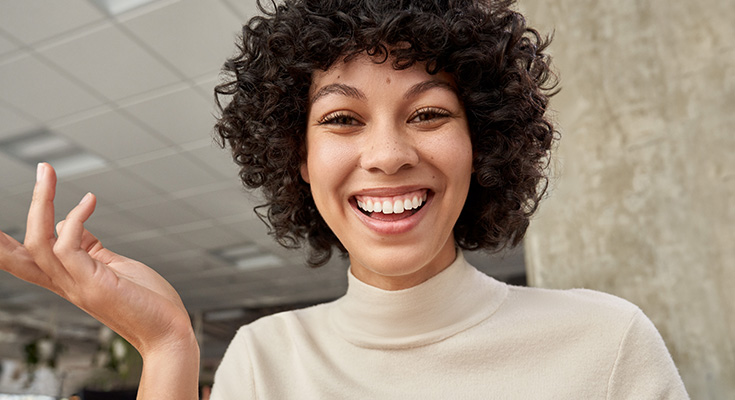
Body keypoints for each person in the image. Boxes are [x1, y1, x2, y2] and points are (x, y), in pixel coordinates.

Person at [0, 0, 688, 399]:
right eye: (341, 119)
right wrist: (167, 345)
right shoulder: (262, 360)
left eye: (427, 115)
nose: (387, 155)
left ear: (480, 143)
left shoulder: (605, 344)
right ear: (297, 159)